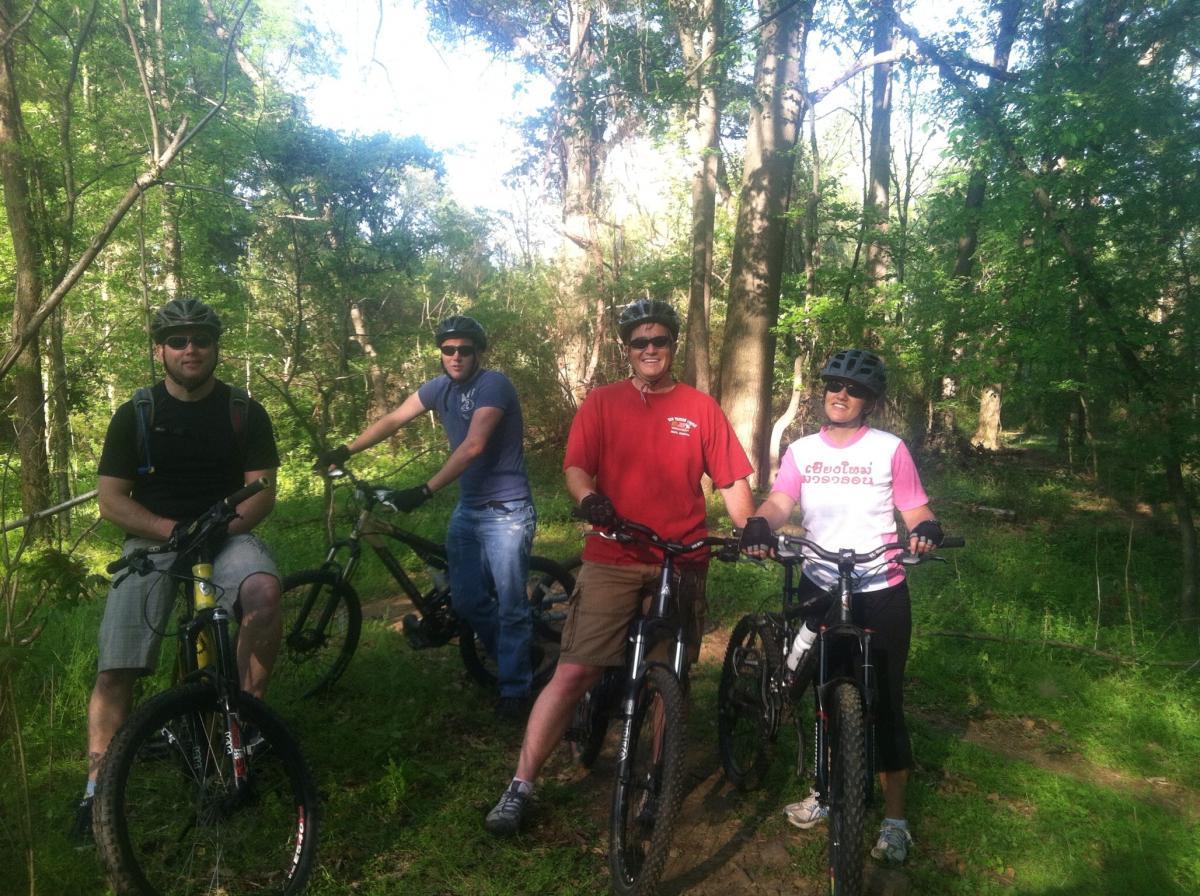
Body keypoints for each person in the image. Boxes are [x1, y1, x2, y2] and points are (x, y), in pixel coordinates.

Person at [484, 297, 755, 836]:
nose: (650, 349)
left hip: (681, 560)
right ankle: (520, 785)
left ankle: (656, 778)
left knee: (668, 677)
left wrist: (754, 528)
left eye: (659, 340)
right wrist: (589, 501)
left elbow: (731, 483)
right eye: (640, 342)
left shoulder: (700, 408)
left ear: (672, 345)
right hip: (614, 556)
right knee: (575, 669)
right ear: (626, 349)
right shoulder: (602, 403)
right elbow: (576, 467)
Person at [73, 297, 281, 844]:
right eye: (179, 340)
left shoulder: (244, 411)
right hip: (153, 538)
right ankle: (95, 789)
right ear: (160, 350)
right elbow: (112, 499)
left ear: (216, 347)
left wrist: (224, 529)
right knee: (117, 666)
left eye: (201, 339)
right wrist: (170, 530)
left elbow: (262, 491)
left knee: (262, 597)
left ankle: (244, 730)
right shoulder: (136, 414)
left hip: (226, 534)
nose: (191, 348)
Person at [738, 347, 944, 866]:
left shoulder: (889, 448)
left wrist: (924, 528)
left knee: (886, 703)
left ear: (869, 400)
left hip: (881, 587)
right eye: (833, 384)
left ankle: (895, 822)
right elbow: (781, 500)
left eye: (852, 389)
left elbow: (914, 507)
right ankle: (827, 793)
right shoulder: (803, 450)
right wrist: (761, 521)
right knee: (828, 695)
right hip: (821, 581)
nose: (840, 394)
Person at [314, 315, 537, 722]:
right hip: (469, 509)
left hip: (506, 511)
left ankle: (517, 686)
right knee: (468, 600)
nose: (455, 356)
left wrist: (424, 490)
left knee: (509, 603)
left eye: (464, 350)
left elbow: (473, 446)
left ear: (478, 353)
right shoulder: (439, 389)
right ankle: (512, 652)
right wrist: (344, 450)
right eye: (448, 349)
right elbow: (393, 419)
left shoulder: (493, 385)